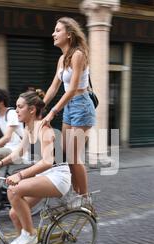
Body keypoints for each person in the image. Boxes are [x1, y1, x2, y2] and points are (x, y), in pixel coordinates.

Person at [0, 89, 71, 244]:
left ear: (32, 109)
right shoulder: (28, 128)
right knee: (13, 214)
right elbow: (18, 152)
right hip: (44, 177)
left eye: (19, 107)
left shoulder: (45, 129)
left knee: (14, 190)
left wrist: (20, 175)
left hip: (58, 177)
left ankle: (30, 235)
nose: (16, 111)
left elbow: (48, 161)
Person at [41, 17, 95, 202]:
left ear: (69, 35)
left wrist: (52, 112)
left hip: (82, 105)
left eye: (57, 30)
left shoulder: (78, 55)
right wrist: (40, 107)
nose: (53, 34)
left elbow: (72, 89)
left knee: (73, 156)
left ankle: (85, 198)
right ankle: (75, 192)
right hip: (69, 106)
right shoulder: (62, 59)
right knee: (66, 153)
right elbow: (54, 87)